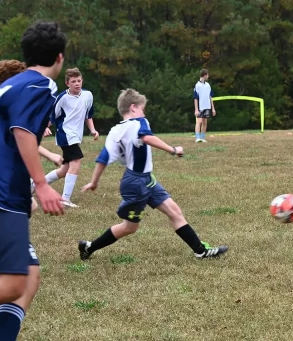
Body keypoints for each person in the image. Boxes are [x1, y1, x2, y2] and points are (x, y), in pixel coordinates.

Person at [78, 88, 228, 261]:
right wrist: (173, 150)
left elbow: (103, 158)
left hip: (143, 180)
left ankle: (200, 251)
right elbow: (146, 138)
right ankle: (90, 247)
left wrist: (94, 182)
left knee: (175, 212)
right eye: (142, 108)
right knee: (129, 227)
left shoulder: (114, 131)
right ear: (133, 108)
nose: (144, 112)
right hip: (137, 183)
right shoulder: (140, 122)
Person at [0, 21, 66, 341]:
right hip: (2, 193)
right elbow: (22, 130)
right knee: (12, 284)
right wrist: (41, 183)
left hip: (6, 193)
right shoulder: (41, 85)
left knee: (30, 274)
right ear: (60, 58)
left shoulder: (8, 86)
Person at [44, 67, 99, 207]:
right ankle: (65, 199)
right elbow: (52, 116)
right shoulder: (62, 98)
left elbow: (88, 115)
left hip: (76, 136)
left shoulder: (88, 95)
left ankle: (34, 185)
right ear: (67, 83)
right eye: (73, 81)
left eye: (79, 80)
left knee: (65, 169)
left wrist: (92, 130)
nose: (77, 83)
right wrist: (45, 127)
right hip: (66, 135)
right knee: (76, 162)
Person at [194, 69, 216, 143]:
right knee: (199, 122)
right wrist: (196, 109)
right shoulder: (197, 85)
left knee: (204, 123)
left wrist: (213, 108)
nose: (208, 76)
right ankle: (197, 138)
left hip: (207, 107)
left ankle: (203, 138)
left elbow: (210, 97)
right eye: (207, 75)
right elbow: (195, 98)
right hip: (200, 107)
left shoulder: (208, 85)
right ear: (204, 75)